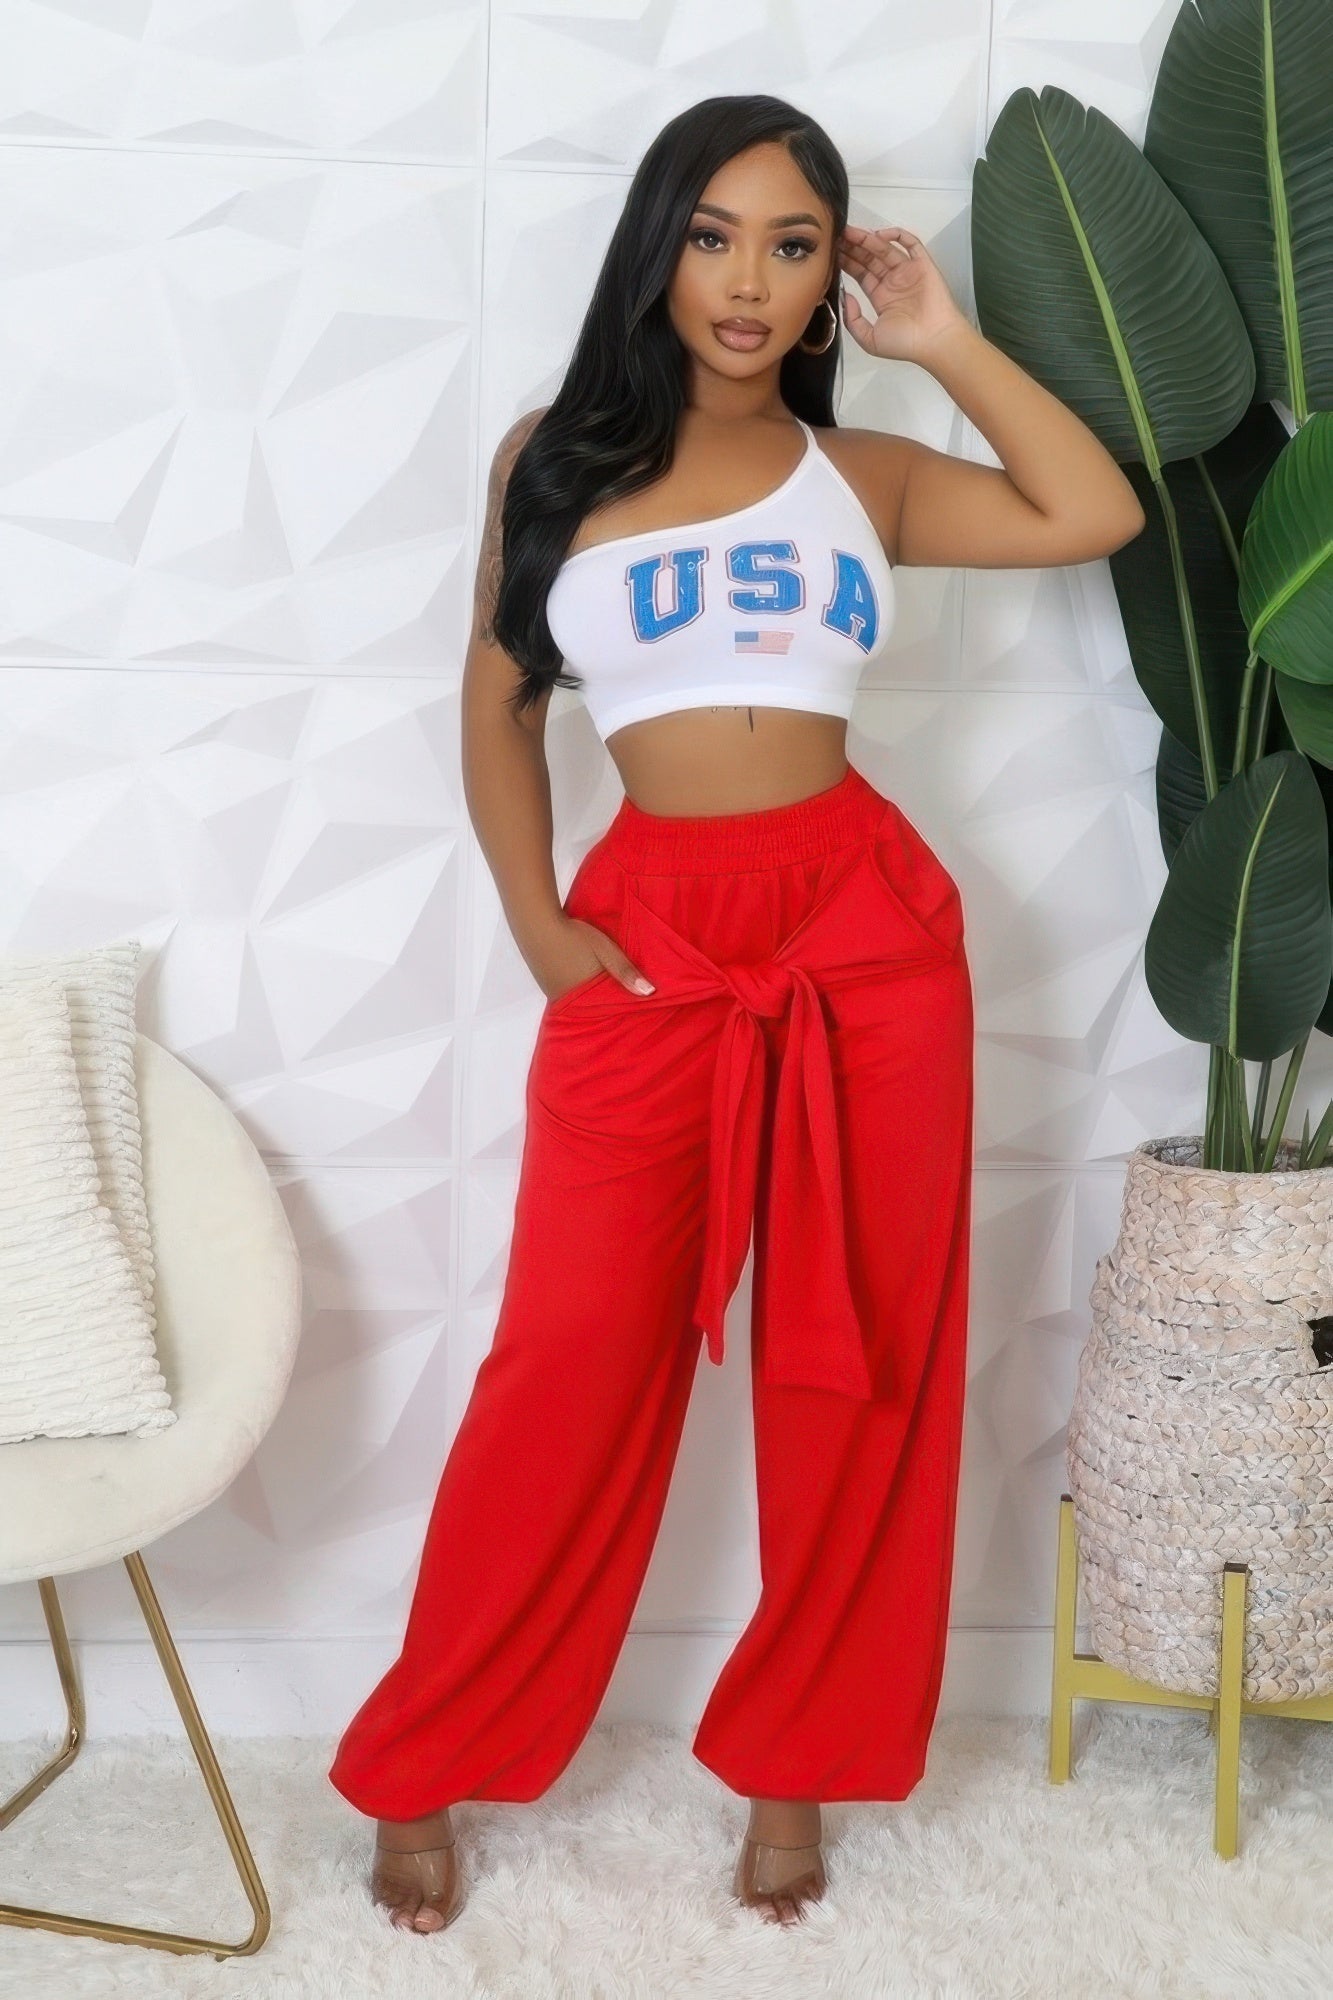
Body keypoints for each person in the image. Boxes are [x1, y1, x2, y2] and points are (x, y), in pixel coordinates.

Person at [327, 92, 1146, 1934]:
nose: (752, 283)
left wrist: (934, 338)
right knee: (569, 1357)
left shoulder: (859, 483)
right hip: (652, 948)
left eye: (794, 244)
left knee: (857, 1361)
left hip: (863, 935)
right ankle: (427, 1750)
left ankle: (795, 1769)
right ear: (656, 247)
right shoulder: (556, 461)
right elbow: (496, 707)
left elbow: (1085, 509)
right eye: (715, 236)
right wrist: (545, 935)